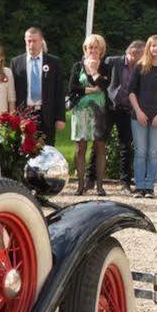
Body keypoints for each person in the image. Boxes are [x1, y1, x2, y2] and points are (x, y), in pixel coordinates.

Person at [128, 34, 157, 198]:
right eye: (153, 45)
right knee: (140, 152)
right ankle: (140, 186)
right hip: (139, 117)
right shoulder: (139, 67)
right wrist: (139, 111)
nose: (156, 48)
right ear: (148, 48)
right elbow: (131, 92)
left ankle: (149, 187)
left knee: (153, 153)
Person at [69, 34, 111, 196]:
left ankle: (99, 186)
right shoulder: (77, 66)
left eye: (96, 47)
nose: (92, 50)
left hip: (99, 111)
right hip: (80, 111)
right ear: (85, 49)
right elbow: (72, 88)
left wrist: (94, 72)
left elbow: (106, 86)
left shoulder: (106, 66)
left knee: (100, 146)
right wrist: (91, 89)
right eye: (90, 47)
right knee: (80, 147)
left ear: (101, 50)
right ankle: (80, 185)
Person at [11, 27, 65, 141]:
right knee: (24, 151)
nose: (31, 45)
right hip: (24, 115)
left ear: (41, 41)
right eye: (29, 41)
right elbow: (12, 91)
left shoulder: (54, 62)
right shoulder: (16, 62)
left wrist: (60, 117)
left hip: (46, 115)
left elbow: (59, 91)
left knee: (47, 151)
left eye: (34, 41)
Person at [105, 38, 141, 187]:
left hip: (127, 110)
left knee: (126, 145)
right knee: (99, 143)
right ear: (133, 53)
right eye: (142, 55)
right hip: (109, 108)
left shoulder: (141, 68)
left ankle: (125, 180)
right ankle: (91, 178)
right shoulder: (112, 61)